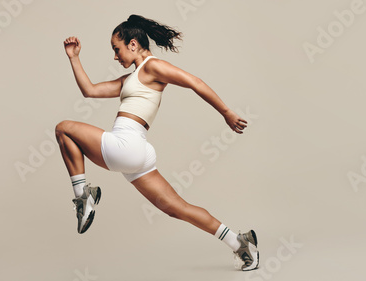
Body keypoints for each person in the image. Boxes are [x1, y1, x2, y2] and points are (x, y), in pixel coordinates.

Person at [55, 14, 259, 271]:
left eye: (116, 49)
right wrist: (74, 58)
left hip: (126, 145)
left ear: (132, 44)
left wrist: (227, 112)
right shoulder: (131, 78)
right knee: (178, 209)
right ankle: (240, 243)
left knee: (63, 129)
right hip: (137, 154)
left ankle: (82, 196)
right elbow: (90, 90)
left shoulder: (152, 66)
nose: (115, 56)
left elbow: (194, 82)